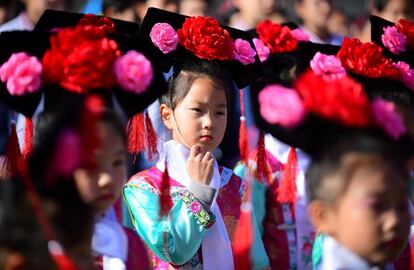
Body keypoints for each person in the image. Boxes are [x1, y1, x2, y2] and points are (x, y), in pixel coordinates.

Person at [123, 8, 268, 269]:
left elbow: (256, 260)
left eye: (220, 112)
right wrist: (199, 192)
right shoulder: (144, 189)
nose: (209, 122)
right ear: (167, 115)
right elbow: (174, 250)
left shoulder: (236, 185)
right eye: (197, 110)